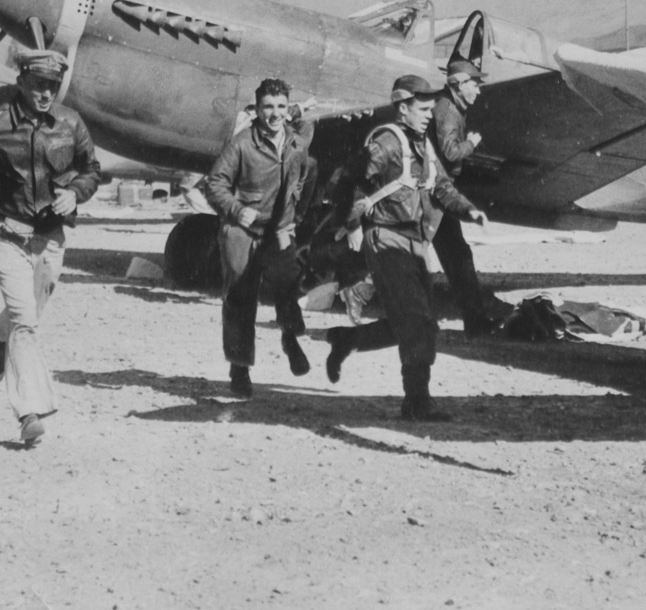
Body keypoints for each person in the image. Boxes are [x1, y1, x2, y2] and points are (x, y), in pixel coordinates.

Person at [0, 49, 100, 447]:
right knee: (26, 323)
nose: (46, 92)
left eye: (52, 85)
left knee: (24, 316)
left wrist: (75, 193)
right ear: (21, 82)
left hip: (50, 238)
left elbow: (91, 169)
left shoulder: (70, 123)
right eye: (38, 84)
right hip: (6, 233)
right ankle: (30, 412)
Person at [322, 74, 488, 422]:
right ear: (402, 107)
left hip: (414, 241)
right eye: (423, 109)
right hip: (386, 238)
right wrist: (352, 223)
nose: (430, 114)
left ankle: (348, 340)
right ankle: (416, 403)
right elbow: (344, 179)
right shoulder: (387, 143)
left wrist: (468, 210)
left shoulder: (423, 145)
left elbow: (441, 187)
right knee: (417, 321)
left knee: (420, 323)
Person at [204, 77, 313, 397]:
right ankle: (239, 370)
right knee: (240, 299)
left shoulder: (296, 143)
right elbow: (214, 184)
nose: (274, 114)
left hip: (278, 231)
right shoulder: (242, 143)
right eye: (268, 107)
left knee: (290, 288)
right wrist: (237, 210)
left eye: (281, 107)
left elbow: (305, 175)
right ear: (257, 109)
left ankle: (290, 340)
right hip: (243, 231)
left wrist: (295, 216)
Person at [429, 59, 510, 335]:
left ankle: (474, 321)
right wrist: (472, 144)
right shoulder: (448, 111)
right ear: (460, 84)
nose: (478, 91)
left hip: (436, 194)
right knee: (455, 256)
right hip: (434, 196)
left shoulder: (447, 107)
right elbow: (451, 152)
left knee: (456, 255)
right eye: (475, 84)